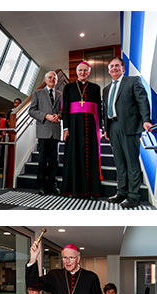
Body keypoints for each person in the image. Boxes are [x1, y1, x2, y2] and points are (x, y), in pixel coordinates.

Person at [102, 56, 152, 209]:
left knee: (132, 163)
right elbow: (106, 110)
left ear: (123, 68)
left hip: (130, 126)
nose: (114, 68)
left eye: (117, 66)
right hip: (113, 127)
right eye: (111, 66)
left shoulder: (132, 81)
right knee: (119, 163)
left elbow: (142, 100)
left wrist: (146, 120)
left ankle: (134, 196)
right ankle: (121, 192)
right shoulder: (106, 89)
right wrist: (106, 129)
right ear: (109, 70)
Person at [62, 61, 102, 199]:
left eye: (85, 70)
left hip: (90, 127)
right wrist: (65, 128)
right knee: (74, 156)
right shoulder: (68, 87)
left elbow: (99, 110)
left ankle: (91, 191)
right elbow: (65, 109)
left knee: (90, 157)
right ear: (76, 72)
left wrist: (100, 128)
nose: (83, 73)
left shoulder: (95, 88)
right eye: (80, 70)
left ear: (89, 72)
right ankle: (74, 189)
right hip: (73, 127)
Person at [29, 71, 61, 194]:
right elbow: (32, 111)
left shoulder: (60, 94)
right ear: (45, 79)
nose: (52, 79)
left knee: (54, 160)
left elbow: (64, 111)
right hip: (43, 130)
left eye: (54, 78)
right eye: (50, 77)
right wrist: (46, 116)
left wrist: (58, 115)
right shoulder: (37, 93)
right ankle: (41, 185)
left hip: (55, 131)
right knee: (42, 159)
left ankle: (52, 184)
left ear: (57, 81)